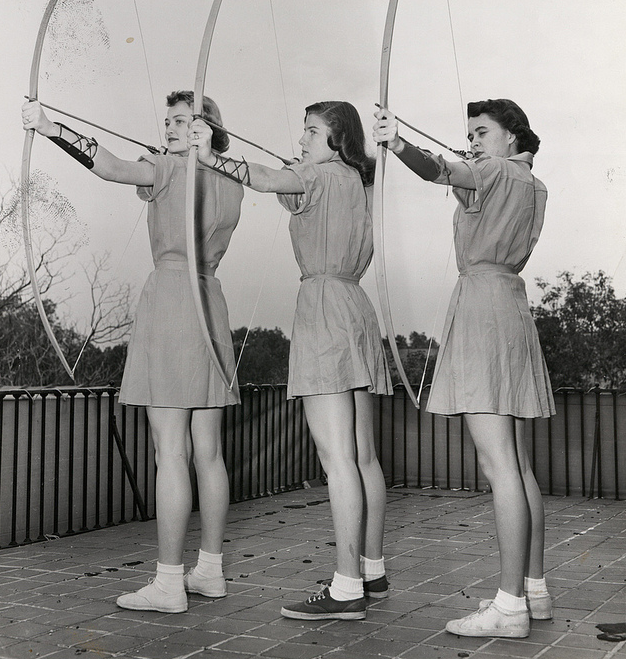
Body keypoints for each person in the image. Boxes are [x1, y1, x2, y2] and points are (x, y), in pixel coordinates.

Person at [22, 92, 243, 614]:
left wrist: (52, 129)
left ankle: (168, 583)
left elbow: (112, 167)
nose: (169, 128)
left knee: (171, 452)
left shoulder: (168, 168)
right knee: (208, 452)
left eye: (181, 121)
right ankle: (209, 571)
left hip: (172, 302)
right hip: (211, 302)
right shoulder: (232, 180)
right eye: (167, 120)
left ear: (205, 128)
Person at [189, 101, 393, 621]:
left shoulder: (316, 175)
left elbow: (262, 178)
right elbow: (296, 197)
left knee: (337, 459)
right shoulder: (356, 180)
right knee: (363, 456)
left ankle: (346, 588)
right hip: (355, 306)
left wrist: (209, 154)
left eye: (311, 131)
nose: (302, 139)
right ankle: (371, 571)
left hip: (323, 309)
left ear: (336, 138)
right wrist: (294, 176)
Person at [373, 99, 554, 639]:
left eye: (482, 132)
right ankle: (533, 590)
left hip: (481, 310)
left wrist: (398, 142)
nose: (473, 141)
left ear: (511, 136)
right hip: (510, 307)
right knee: (518, 465)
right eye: (469, 134)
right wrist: (461, 176)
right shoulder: (530, 183)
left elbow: (438, 170)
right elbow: (468, 192)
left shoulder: (492, 170)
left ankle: (509, 607)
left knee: (499, 467)